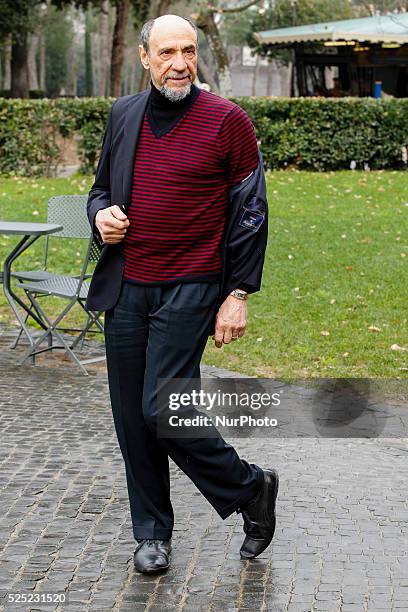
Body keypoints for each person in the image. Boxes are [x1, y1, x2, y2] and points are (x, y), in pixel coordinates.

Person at [85, 13, 278, 574]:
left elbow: (252, 213)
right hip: (127, 287)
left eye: (188, 51)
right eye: (167, 52)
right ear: (144, 57)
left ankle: (248, 487)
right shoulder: (123, 115)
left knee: (162, 410)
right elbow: (98, 190)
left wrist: (238, 291)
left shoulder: (227, 120)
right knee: (131, 417)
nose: (179, 63)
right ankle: (151, 534)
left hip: (192, 287)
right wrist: (101, 217)